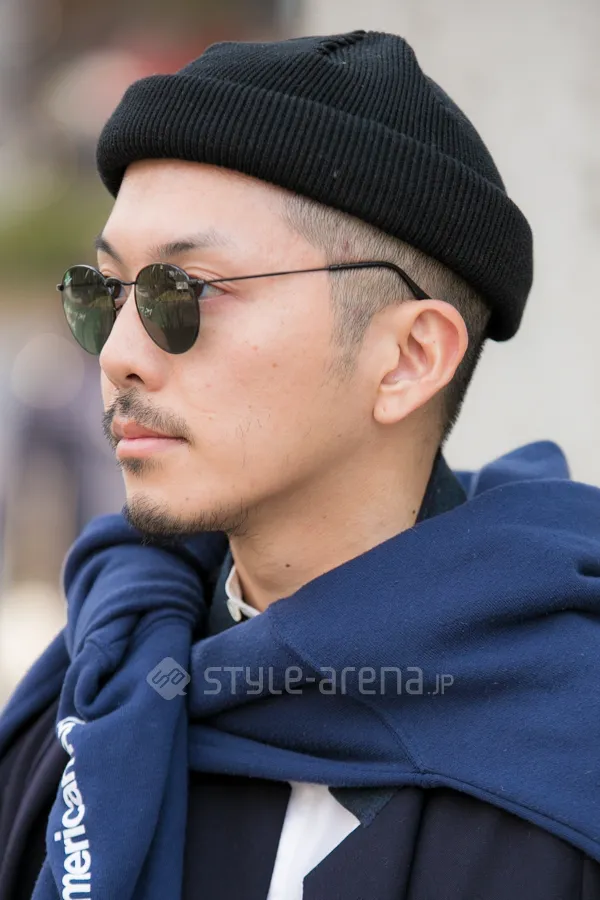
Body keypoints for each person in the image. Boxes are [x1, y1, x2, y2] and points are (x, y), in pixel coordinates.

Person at [0, 29, 599, 900]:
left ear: (407, 358)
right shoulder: (98, 687)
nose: (118, 354)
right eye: (104, 292)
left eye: (185, 291)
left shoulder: (569, 752)